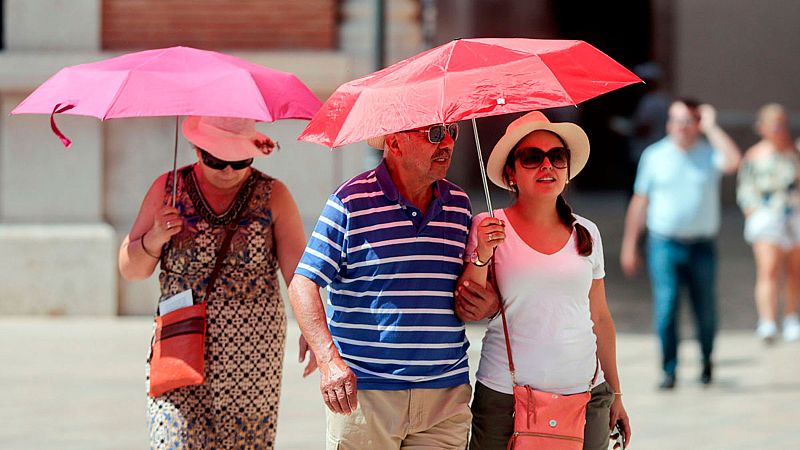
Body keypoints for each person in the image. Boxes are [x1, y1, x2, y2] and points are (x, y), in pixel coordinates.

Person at [288, 122, 496, 449]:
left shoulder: (459, 204)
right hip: (366, 395)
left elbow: (467, 292)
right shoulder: (349, 202)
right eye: (434, 134)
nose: (447, 144)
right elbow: (303, 283)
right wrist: (328, 361)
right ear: (395, 143)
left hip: (444, 393)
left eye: (452, 131)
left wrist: (486, 299)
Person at [118, 116, 309, 448]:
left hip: (252, 356)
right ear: (196, 149)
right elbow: (131, 269)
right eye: (216, 159)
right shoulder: (168, 189)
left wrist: (313, 330)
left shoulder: (273, 193)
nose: (228, 171)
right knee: (172, 440)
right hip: (180, 345)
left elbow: (297, 273)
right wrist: (155, 238)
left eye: (240, 161)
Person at [456, 111, 631, 450]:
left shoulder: (586, 232)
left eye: (557, 157)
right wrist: (482, 255)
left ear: (566, 171)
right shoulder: (489, 227)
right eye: (532, 158)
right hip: (506, 398)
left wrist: (616, 393)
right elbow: (467, 305)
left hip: (587, 395)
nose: (546, 166)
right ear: (511, 173)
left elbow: (600, 318)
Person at [620, 99, 741, 389]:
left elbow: (734, 161)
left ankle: (707, 362)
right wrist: (629, 244)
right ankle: (669, 369)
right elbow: (640, 201)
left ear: (697, 123)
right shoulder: (655, 155)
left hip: (701, 245)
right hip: (664, 244)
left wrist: (712, 128)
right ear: (668, 124)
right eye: (676, 120)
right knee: (667, 305)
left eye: (688, 120)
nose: (681, 127)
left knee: (705, 308)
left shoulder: (709, 152)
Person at [737, 103, 800, 342]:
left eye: (782, 124)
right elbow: (745, 188)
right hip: (767, 217)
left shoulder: (793, 152)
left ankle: (791, 316)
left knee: (794, 271)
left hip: (793, 214)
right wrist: (752, 212)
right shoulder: (754, 155)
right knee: (769, 268)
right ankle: (768, 320)